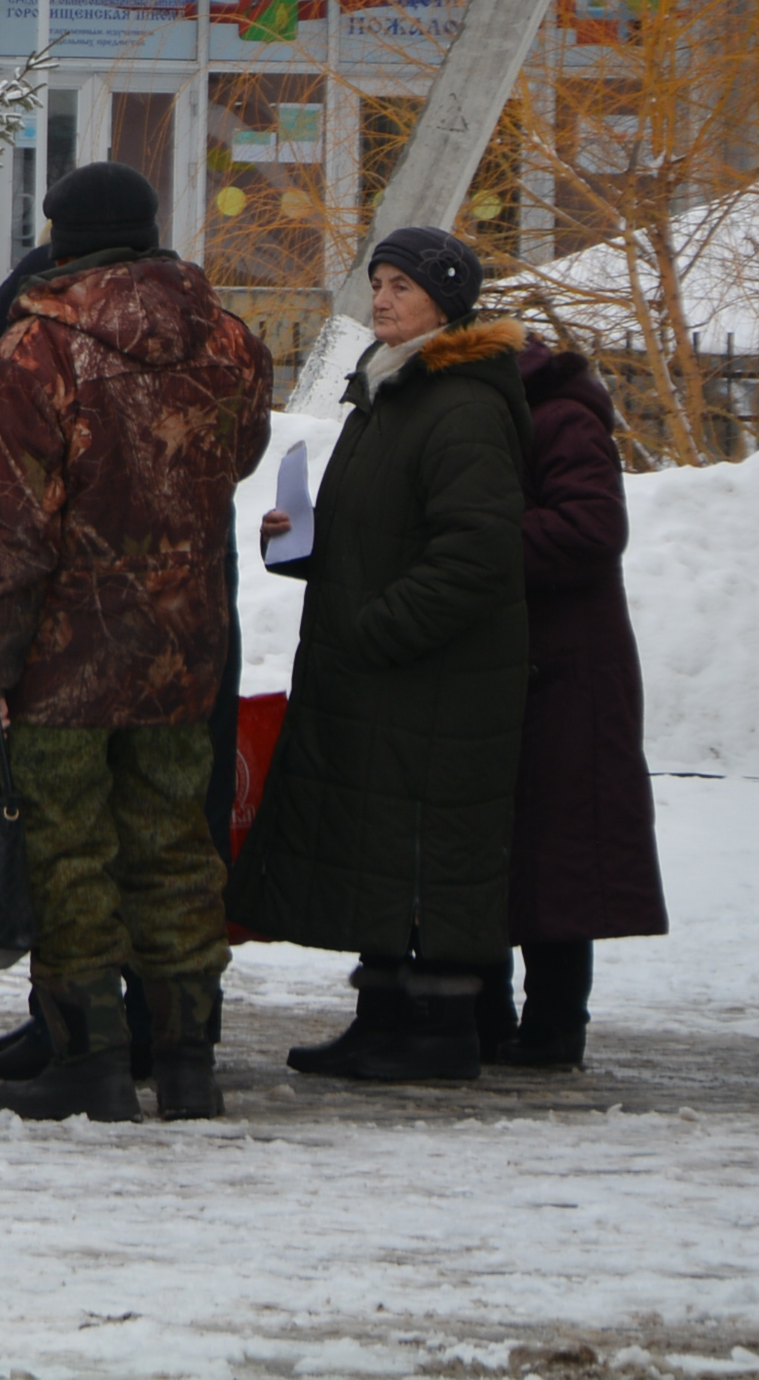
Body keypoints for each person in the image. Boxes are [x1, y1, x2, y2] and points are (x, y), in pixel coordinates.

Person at [0, 159, 274, 1122]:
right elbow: (240, 455)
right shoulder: (231, 343)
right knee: (176, 844)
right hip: (187, 644)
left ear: (57, 237)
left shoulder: (31, 357)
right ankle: (188, 1063)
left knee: (71, 849)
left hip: (65, 654)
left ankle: (88, 1059)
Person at [229, 223, 531, 1085]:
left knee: (423, 855)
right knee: (382, 849)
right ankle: (386, 1015)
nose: (383, 299)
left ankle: (434, 1030)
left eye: (402, 286)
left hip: (434, 682)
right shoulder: (394, 392)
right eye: (380, 282)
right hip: (390, 673)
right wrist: (306, 546)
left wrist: (379, 628)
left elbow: (475, 554)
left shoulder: (462, 400)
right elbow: (386, 531)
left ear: (446, 300)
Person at [491, 331, 667, 1067]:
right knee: (510, 847)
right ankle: (497, 1019)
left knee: (560, 851)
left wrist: (476, 538)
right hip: (516, 662)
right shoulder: (514, 414)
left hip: (569, 670)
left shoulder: (560, 417)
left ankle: (557, 1024)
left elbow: (593, 527)